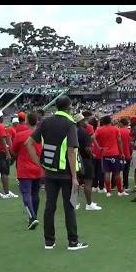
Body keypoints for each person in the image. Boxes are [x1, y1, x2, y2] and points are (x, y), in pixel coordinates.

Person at [25, 95, 88, 250]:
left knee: (49, 207)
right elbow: (71, 152)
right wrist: (74, 177)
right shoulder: (70, 124)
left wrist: (39, 164)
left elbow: (29, 143)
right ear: (69, 107)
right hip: (66, 173)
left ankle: (49, 241)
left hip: (50, 173)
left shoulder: (46, 122)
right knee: (70, 207)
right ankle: (73, 242)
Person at [11, 112, 44, 229]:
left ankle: (32, 217)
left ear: (26, 121)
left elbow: (13, 150)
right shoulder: (41, 135)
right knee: (35, 193)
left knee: (26, 193)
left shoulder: (20, 135)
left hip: (24, 168)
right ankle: (33, 215)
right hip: (38, 167)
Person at [75, 113, 102, 211]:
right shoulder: (83, 132)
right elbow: (87, 148)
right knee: (88, 182)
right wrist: (92, 155)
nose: (86, 122)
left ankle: (75, 203)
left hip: (75, 159)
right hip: (85, 159)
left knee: (76, 182)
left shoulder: (73, 131)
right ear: (81, 121)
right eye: (84, 120)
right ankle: (89, 204)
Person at [94, 115, 124, 198]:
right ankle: (120, 191)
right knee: (117, 173)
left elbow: (93, 137)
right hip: (115, 153)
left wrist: (99, 147)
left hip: (105, 153)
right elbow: (119, 141)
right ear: (110, 121)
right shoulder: (115, 129)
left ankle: (108, 191)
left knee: (107, 173)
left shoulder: (99, 129)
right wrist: (121, 153)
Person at [118, 118, 132, 192]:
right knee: (126, 171)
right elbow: (131, 144)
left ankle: (116, 185)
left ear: (122, 123)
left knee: (117, 171)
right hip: (127, 154)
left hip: (118, 154)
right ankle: (125, 186)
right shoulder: (129, 132)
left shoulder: (118, 131)